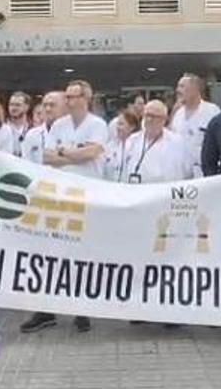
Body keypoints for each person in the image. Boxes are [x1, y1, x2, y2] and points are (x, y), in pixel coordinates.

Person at [22, 80, 107, 334]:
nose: (68, 101)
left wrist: (65, 152)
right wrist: (74, 153)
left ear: (85, 99)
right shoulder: (59, 125)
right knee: (52, 252)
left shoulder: (97, 124)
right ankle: (46, 310)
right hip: (59, 196)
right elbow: (48, 157)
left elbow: (92, 153)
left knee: (84, 255)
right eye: (67, 96)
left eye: (73, 96)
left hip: (88, 196)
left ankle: (83, 310)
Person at [120, 100, 190, 184]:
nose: (149, 119)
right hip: (136, 189)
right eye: (147, 115)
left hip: (162, 191)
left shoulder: (176, 142)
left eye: (153, 116)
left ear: (164, 119)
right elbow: (124, 169)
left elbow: (186, 171)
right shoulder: (132, 140)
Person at [169, 74, 221, 179]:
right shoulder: (178, 114)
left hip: (204, 176)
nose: (178, 90)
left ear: (195, 90)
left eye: (182, 86)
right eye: (178, 86)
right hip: (180, 176)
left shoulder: (212, 112)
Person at [22, 91, 66, 166]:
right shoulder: (32, 134)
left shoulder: (73, 132)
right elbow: (26, 162)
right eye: (45, 105)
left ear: (64, 108)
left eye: (52, 105)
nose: (48, 109)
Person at [104, 110, 141, 181]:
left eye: (121, 124)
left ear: (132, 127)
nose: (118, 127)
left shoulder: (137, 146)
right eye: (117, 124)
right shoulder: (110, 145)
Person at [5, 91, 35, 157]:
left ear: (26, 107)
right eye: (11, 104)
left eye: (18, 105)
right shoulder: (1, 128)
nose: (14, 108)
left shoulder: (34, 129)